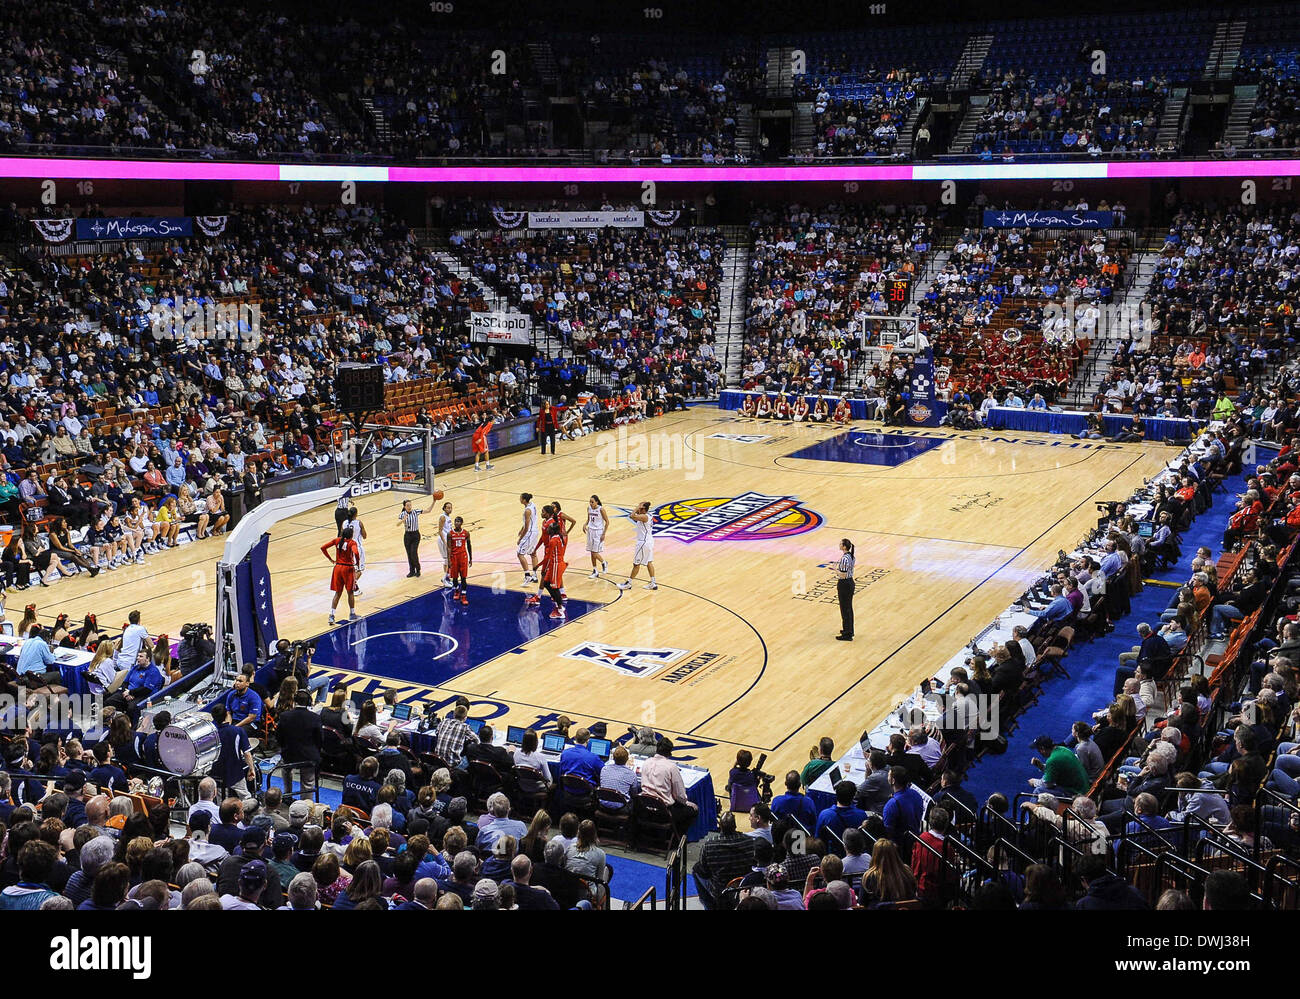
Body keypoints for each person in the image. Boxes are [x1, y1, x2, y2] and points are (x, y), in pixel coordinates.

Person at [639, 738, 699, 837]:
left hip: (645, 808)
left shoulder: (646, 762)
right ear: (669, 753)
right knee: (693, 810)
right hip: (664, 813)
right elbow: (680, 795)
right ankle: (676, 840)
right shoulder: (671, 767)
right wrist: (686, 802)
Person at [321, 525, 361, 626]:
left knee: (337, 593)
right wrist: (357, 562)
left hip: (337, 568)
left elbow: (323, 547)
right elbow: (356, 552)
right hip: (347, 569)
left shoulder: (337, 540)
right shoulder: (352, 543)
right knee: (350, 592)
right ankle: (352, 614)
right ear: (351, 536)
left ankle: (331, 615)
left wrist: (330, 559)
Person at [616, 501, 657, 591]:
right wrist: (639, 507)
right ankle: (653, 583)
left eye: (640, 508)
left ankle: (629, 583)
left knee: (636, 564)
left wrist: (638, 506)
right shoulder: (648, 515)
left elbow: (632, 516)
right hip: (649, 541)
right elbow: (635, 514)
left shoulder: (644, 517)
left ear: (644, 509)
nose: (638, 509)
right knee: (649, 562)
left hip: (643, 543)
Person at [398, 496, 438, 579]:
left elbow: (428, 510)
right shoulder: (402, 514)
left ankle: (418, 569)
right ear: (404, 507)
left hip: (415, 535)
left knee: (413, 552)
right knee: (409, 554)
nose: (409, 507)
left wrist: (434, 501)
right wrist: (403, 520)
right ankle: (411, 571)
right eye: (407, 505)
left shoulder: (415, 512)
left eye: (410, 505)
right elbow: (397, 524)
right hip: (407, 535)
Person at [538, 521, 568, 620]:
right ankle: (557, 604)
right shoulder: (558, 537)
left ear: (553, 530)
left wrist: (542, 567)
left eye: (549, 527)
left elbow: (548, 557)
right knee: (546, 583)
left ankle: (560, 611)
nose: (547, 528)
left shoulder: (553, 541)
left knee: (555, 588)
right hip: (556, 564)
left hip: (556, 565)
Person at [446, 516, 472, 605]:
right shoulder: (450, 534)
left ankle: (464, 596)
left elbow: (469, 546)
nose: (456, 523)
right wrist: (449, 560)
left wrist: (471, 558)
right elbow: (449, 547)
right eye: (455, 521)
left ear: (462, 523)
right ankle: (457, 591)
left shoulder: (466, 533)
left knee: (464, 578)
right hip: (454, 557)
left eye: (458, 521)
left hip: (463, 557)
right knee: (455, 578)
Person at [834, 538, 856, 641]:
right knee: (848, 608)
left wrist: (835, 569)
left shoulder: (844, 559)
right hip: (850, 582)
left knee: (845, 609)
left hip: (844, 584)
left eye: (840, 543)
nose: (839, 545)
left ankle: (847, 634)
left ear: (844, 546)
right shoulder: (851, 556)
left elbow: (842, 574)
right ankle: (849, 630)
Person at [517, 492, 540, 583]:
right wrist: (521, 528)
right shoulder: (532, 505)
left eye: (520, 498)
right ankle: (535, 575)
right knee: (533, 553)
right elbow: (529, 521)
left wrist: (520, 538)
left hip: (529, 532)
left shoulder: (527, 511)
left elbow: (527, 527)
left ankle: (527, 576)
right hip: (535, 531)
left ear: (524, 500)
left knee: (520, 554)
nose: (519, 499)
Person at [585, 494, 609, 578]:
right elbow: (589, 519)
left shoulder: (601, 509)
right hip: (590, 530)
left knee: (595, 552)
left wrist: (603, 533)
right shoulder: (589, 508)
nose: (591, 503)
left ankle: (604, 562)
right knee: (592, 552)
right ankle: (595, 570)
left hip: (598, 532)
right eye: (590, 502)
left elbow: (607, 522)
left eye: (592, 502)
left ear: (597, 502)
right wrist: (585, 525)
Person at [435, 501, 455, 588]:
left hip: (447, 540)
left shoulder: (448, 517)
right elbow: (440, 531)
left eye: (451, 507)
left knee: (448, 560)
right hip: (443, 540)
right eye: (448, 508)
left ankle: (446, 578)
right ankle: (445, 579)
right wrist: (445, 543)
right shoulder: (443, 517)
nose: (450, 509)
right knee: (447, 560)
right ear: (444, 508)